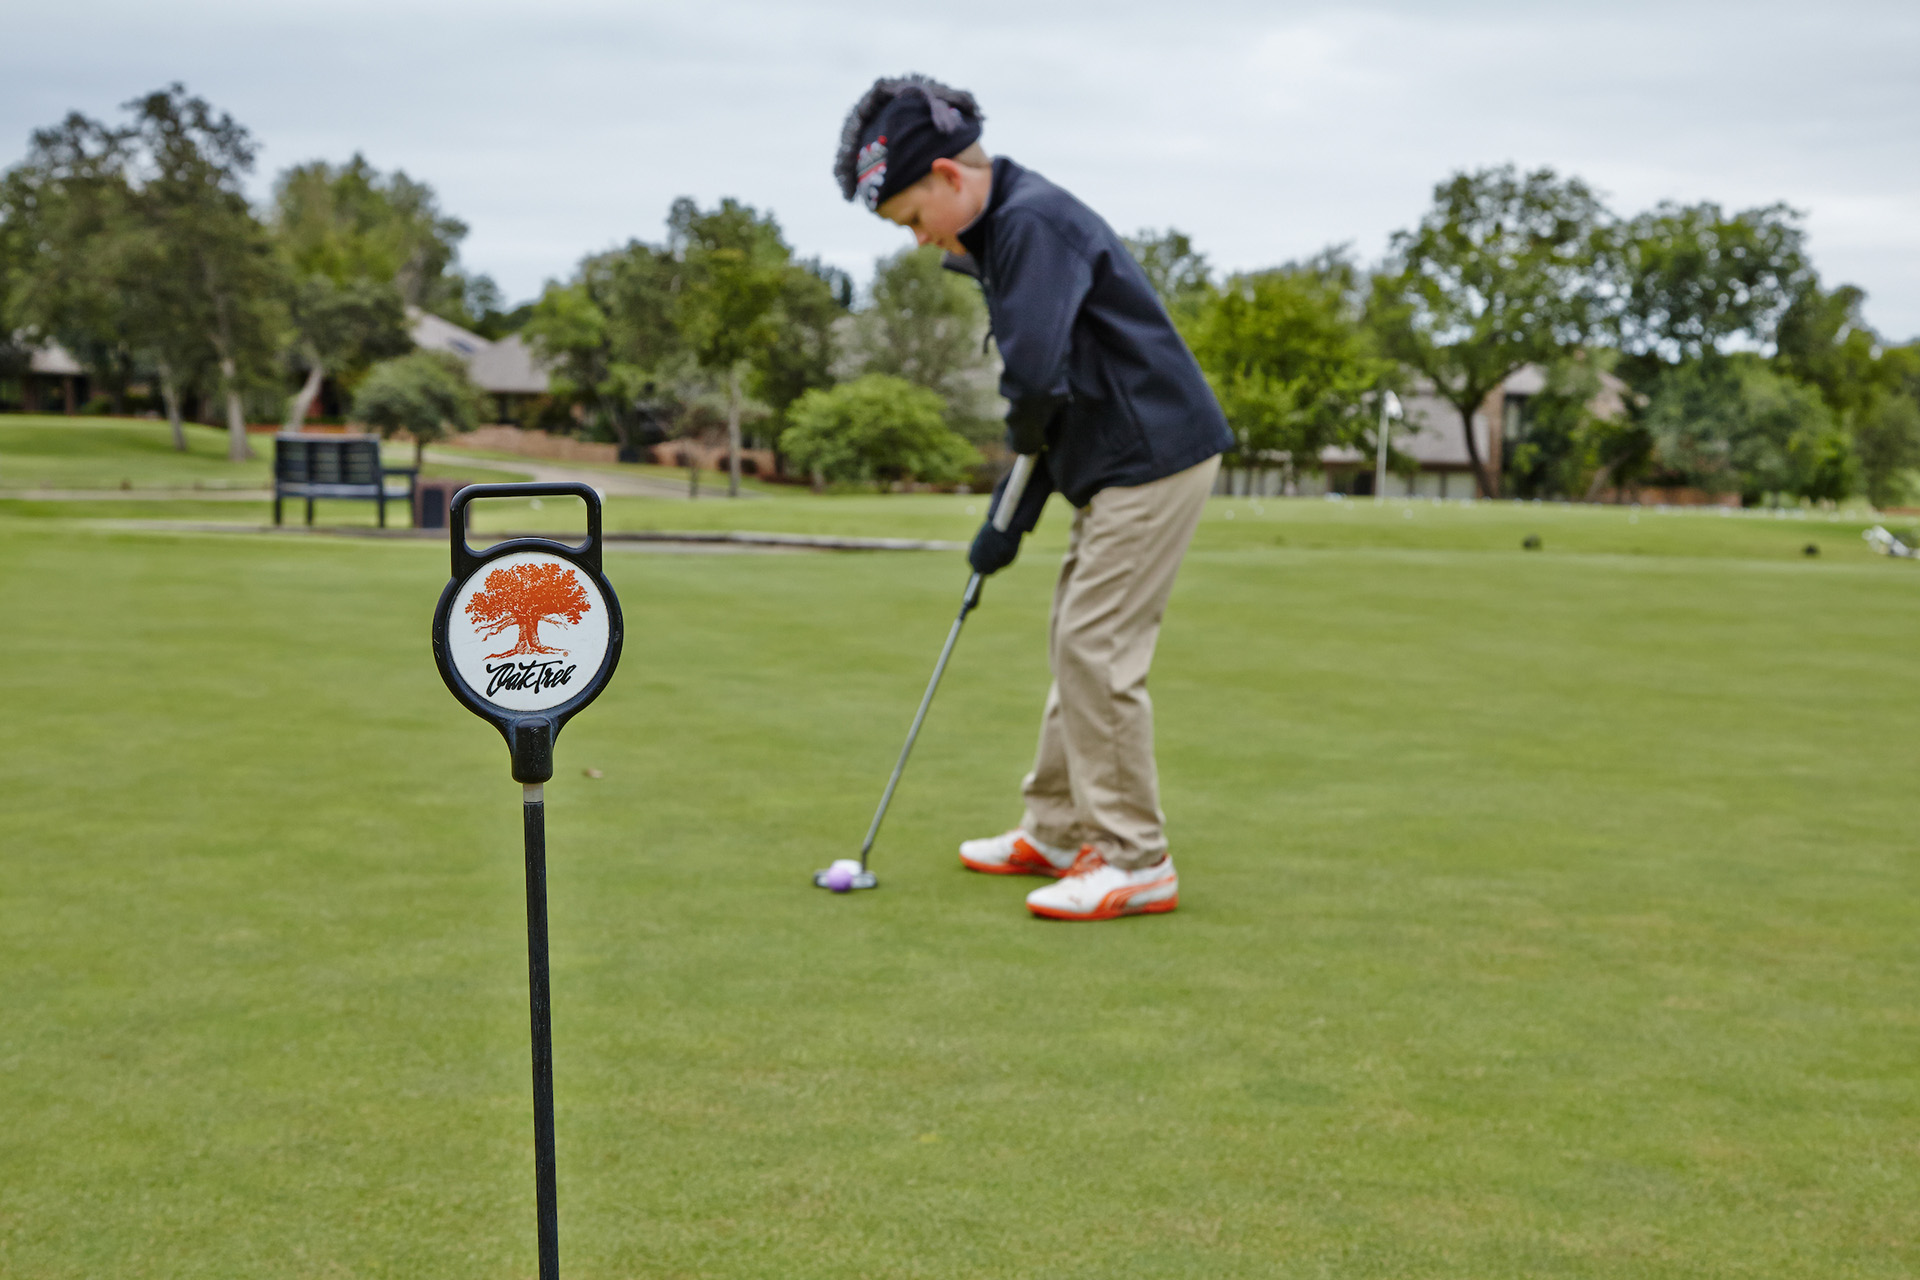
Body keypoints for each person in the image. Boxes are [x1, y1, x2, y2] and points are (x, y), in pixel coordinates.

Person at [834, 76, 1230, 921]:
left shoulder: (1028, 226)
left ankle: (1134, 858)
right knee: (1075, 640)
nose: (919, 240)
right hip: (1117, 461)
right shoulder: (1005, 230)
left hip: (1152, 458)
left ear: (949, 175)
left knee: (1095, 644)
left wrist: (1007, 517)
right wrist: (1005, 523)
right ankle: (1055, 829)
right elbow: (1048, 404)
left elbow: (1038, 386)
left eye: (913, 218)